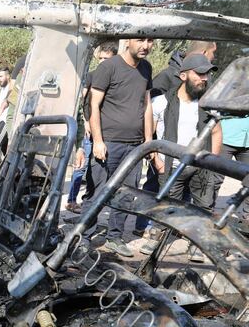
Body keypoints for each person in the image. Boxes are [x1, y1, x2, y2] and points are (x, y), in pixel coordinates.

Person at [140, 54, 221, 261]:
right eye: (200, 73)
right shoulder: (163, 101)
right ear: (183, 75)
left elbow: (216, 131)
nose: (204, 78)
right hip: (171, 165)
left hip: (201, 166)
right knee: (167, 206)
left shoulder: (207, 103)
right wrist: (155, 157)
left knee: (203, 208)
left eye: (207, 74)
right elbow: (150, 124)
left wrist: (214, 162)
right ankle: (156, 240)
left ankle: (198, 246)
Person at [80, 38, 155, 258]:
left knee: (126, 195)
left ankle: (114, 237)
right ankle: (83, 237)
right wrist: (98, 141)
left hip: (135, 145)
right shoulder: (108, 67)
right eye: (140, 40)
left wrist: (149, 141)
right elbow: (94, 105)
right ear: (128, 42)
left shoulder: (146, 68)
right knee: (97, 192)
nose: (145, 45)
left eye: (150, 41)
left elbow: (147, 104)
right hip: (108, 142)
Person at [67, 41, 118, 213]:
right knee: (81, 165)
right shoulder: (92, 75)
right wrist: (86, 120)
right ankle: (72, 200)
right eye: (101, 58)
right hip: (90, 130)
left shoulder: (116, 76)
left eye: (107, 58)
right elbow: (82, 101)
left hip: (107, 131)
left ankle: (95, 201)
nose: (103, 61)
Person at [151, 40, 217, 97]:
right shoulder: (166, 76)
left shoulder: (206, 78)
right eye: (213, 52)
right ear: (204, 53)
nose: (214, 56)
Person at [0, 66, 12, 156]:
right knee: (4, 151)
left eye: (1, 76)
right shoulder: (3, 89)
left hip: (5, 122)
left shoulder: (10, 88)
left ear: (8, 76)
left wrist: (0, 111)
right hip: (0, 121)